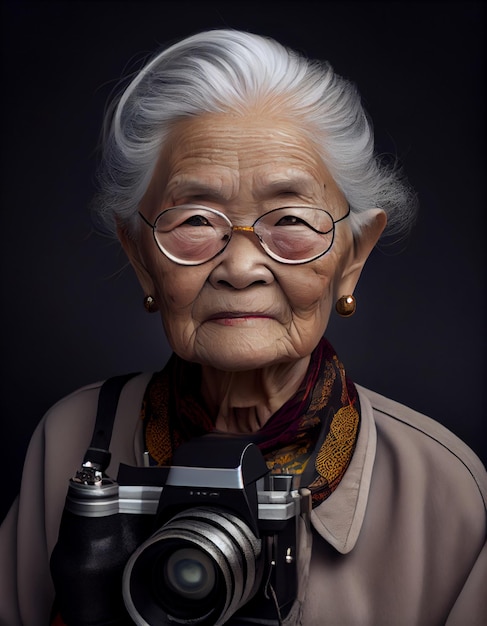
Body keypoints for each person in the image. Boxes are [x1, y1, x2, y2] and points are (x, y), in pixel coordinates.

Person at [1, 28, 485, 626]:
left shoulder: (443, 489)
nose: (240, 267)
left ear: (353, 256)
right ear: (139, 256)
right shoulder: (68, 442)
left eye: (290, 218)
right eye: (196, 218)